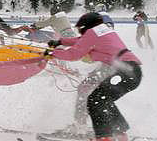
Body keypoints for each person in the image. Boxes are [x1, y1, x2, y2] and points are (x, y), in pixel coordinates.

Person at [45, 12, 143, 141]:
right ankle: (120, 134)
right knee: (104, 100)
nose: (80, 32)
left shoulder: (92, 33)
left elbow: (73, 54)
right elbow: (80, 41)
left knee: (95, 100)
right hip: (132, 72)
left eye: (80, 29)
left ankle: (104, 137)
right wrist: (60, 42)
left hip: (125, 72)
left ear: (86, 26)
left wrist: (52, 52)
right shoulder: (102, 31)